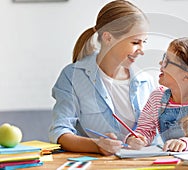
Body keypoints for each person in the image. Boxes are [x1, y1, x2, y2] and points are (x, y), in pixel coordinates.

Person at [49, 0, 155, 156]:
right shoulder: (72, 76)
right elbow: (59, 131)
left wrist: (144, 138)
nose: (142, 50)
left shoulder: (146, 81)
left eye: (144, 42)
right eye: (135, 42)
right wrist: (96, 145)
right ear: (108, 38)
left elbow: (156, 132)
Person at [126, 37, 188, 152]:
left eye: (167, 61)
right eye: (163, 58)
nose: (161, 63)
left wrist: (185, 143)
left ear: (186, 76)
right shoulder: (157, 97)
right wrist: (135, 139)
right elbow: (144, 131)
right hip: (169, 161)